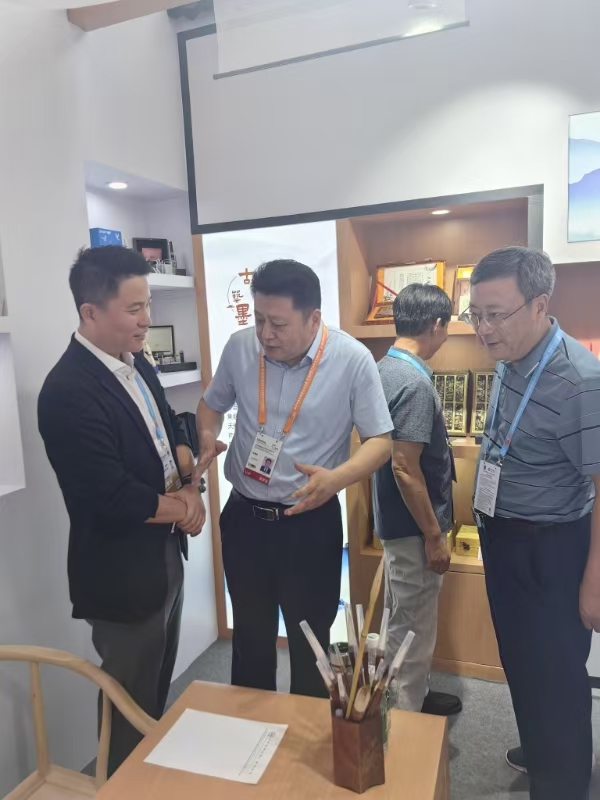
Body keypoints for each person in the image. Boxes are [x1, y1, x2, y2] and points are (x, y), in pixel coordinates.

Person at [38, 246, 206, 775]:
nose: (147, 320)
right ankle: (119, 784)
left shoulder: (138, 364)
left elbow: (170, 424)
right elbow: (107, 495)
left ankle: (144, 778)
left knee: (153, 690)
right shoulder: (67, 391)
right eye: (134, 309)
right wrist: (184, 507)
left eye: (148, 304)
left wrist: (188, 468)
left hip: (162, 555)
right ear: (90, 311)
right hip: (120, 571)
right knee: (128, 701)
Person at [195, 259, 393, 697]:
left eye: (279, 324)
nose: (265, 334)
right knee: (249, 637)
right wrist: (206, 434)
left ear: (314, 318)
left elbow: (381, 442)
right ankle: (251, 731)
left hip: (309, 522)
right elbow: (210, 405)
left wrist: (337, 479)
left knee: (311, 644)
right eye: (259, 319)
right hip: (245, 519)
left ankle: (309, 733)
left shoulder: (352, 360)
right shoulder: (240, 347)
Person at [465, 247, 600, 800]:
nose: (483, 329)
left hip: (553, 549)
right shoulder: (510, 355)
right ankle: (542, 749)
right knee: (521, 661)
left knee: (558, 675)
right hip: (506, 541)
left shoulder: (580, 381)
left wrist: (594, 580)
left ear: (540, 305)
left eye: (496, 315)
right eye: (476, 314)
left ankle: (563, 780)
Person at [372, 284, 462, 717]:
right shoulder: (414, 383)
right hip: (413, 528)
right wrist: (433, 535)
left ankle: (413, 700)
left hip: (395, 522)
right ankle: (403, 724)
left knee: (401, 617)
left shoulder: (383, 368)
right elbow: (405, 467)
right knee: (412, 628)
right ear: (437, 325)